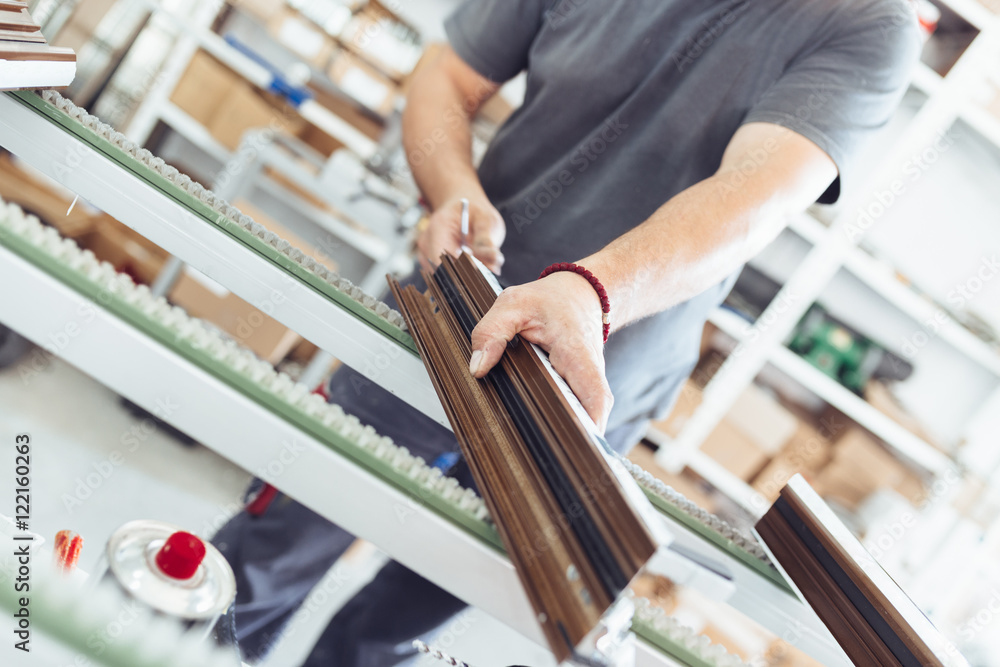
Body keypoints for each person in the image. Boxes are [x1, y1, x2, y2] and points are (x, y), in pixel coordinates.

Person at [212, 0, 921, 664]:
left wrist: (591, 290)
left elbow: (753, 196)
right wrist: (452, 186)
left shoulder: (865, 21)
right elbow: (449, 73)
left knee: (413, 612)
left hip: (600, 382)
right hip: (456, 311)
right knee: (275, 544)